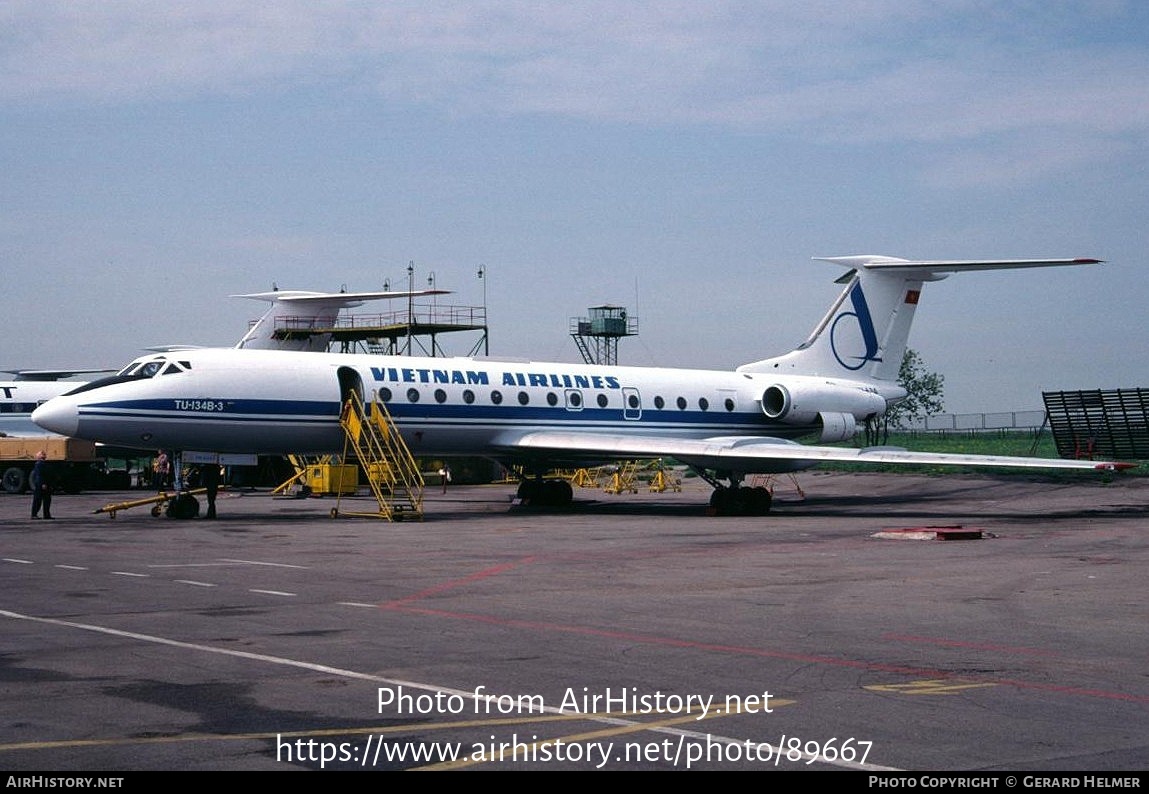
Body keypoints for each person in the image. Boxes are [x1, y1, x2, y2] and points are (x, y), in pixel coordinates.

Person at [30, 450, 54, 520]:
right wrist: (42, 483)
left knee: (47, 500)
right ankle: (34, 514)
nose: (44, 455)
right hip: (41, 484)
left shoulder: (44, 463)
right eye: (42, 454)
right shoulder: (39, 464)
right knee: (38, 500)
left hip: (46, 483)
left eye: (44, 454)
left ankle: (46, 514)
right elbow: (39, 475)